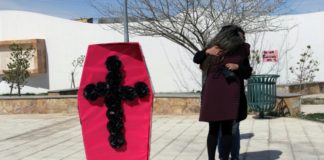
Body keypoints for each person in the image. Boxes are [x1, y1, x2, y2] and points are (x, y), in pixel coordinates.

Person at [193, 25, 252, 160]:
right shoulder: (214, 47)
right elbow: (197, 58)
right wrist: (208, 51)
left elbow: (247, 72)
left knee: (229, 129)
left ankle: (231, 157)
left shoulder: (241, 50)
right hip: (214, 92)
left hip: (232, 93)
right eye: (241, 35)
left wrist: (237, 67)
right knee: (215, 129)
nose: (242, 38)